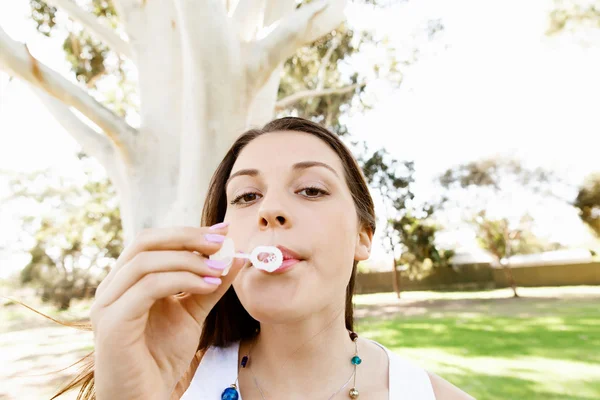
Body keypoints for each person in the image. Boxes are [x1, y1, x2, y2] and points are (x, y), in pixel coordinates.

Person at [58, 117, 474, 399]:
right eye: (246, 196)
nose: (268, 210)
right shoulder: (168, 383)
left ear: (362, 238)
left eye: (311, 189)